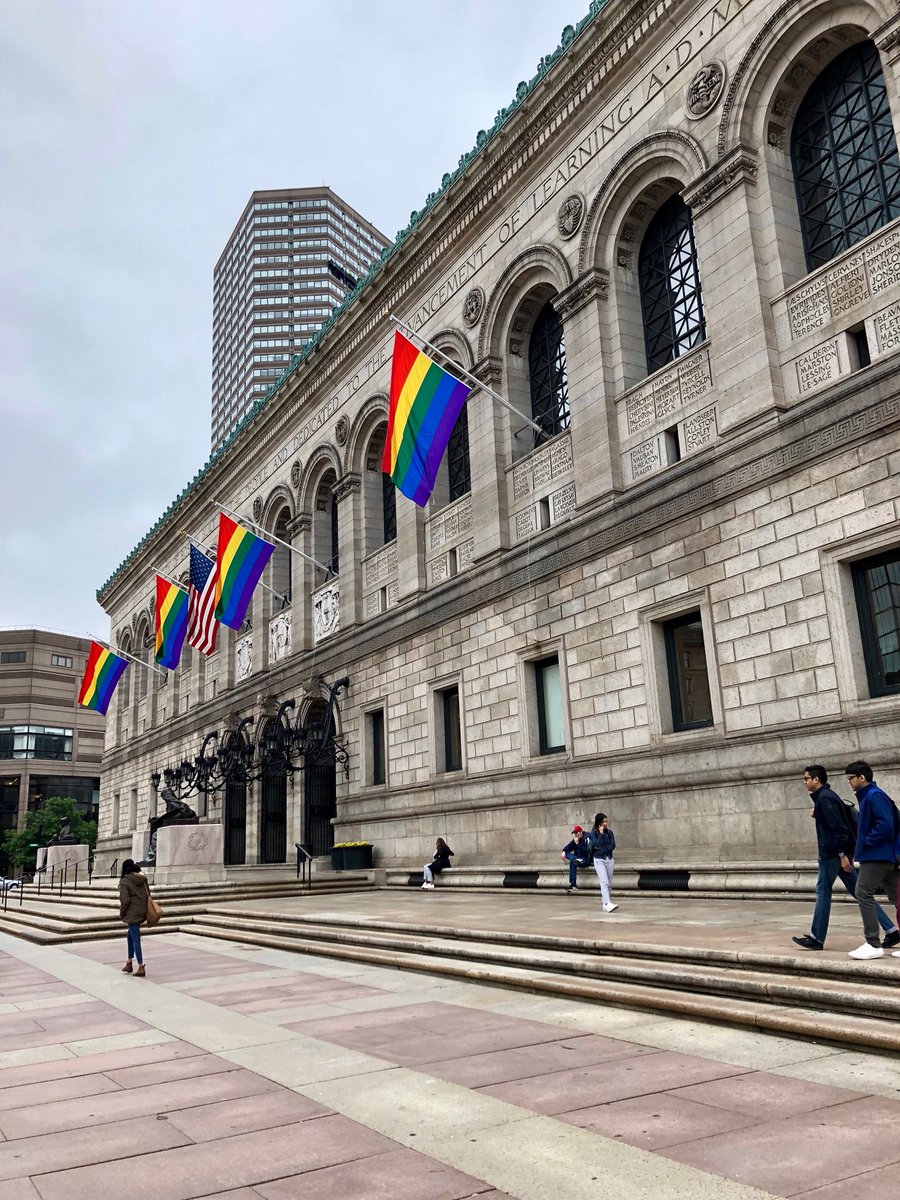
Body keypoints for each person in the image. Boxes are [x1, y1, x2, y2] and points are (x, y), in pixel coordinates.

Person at [792, 766, 899, 951]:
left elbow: (841, 829)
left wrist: (847, 852)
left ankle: (818, 937)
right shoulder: (827, 798)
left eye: (806, 778)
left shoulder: (827, 798)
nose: (804, 782)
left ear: (816, 779)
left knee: (825, 892)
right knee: (862, 893)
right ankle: (891, 930)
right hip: (839, 854)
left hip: (833, 854)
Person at [845, 761, 900, 960]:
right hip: (884, 855)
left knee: (862, 892)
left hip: (877, 855)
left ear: (862, 777)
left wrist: (866, 843)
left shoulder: (873, 795)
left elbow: (885, 825)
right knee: (897, 897)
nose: (849, 782)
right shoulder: (869, 796)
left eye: (851, 778)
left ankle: (873, 943)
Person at [118, 858, 151, 976]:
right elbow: (148, 894)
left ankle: (141, 965)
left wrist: (122, 913)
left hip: (132, 913)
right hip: (142, 910)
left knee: (135, 937)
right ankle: (129, 962)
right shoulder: (142, 879)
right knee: (130, 935)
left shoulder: (124, 881)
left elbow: (125, 900)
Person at [587, 812, 617, 912]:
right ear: (599, 822)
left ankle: (606, 903)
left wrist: (602, 850)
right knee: (604, 882)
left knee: (609, 883)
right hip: (599, 860)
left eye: (606, 821)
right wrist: (601, 834)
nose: (605, 823)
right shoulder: (593, 833)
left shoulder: (610, 833)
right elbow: (596, 845)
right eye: (603, 822)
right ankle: (607, 903)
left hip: (609, 859)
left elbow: (612, 845)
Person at [561, 825, 591, 892]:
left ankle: (573, 885)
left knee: (573, 862)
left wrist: (577, 844)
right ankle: (575, 860)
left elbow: (587, 851)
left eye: (577, 833)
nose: (575, 835)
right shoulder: (576, 839)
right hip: (577, 858)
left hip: (585, 859)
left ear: (581, 832)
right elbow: (569, 846)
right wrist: (564, 851)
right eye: (574, 833)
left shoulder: (587, 838)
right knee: (567, 854)